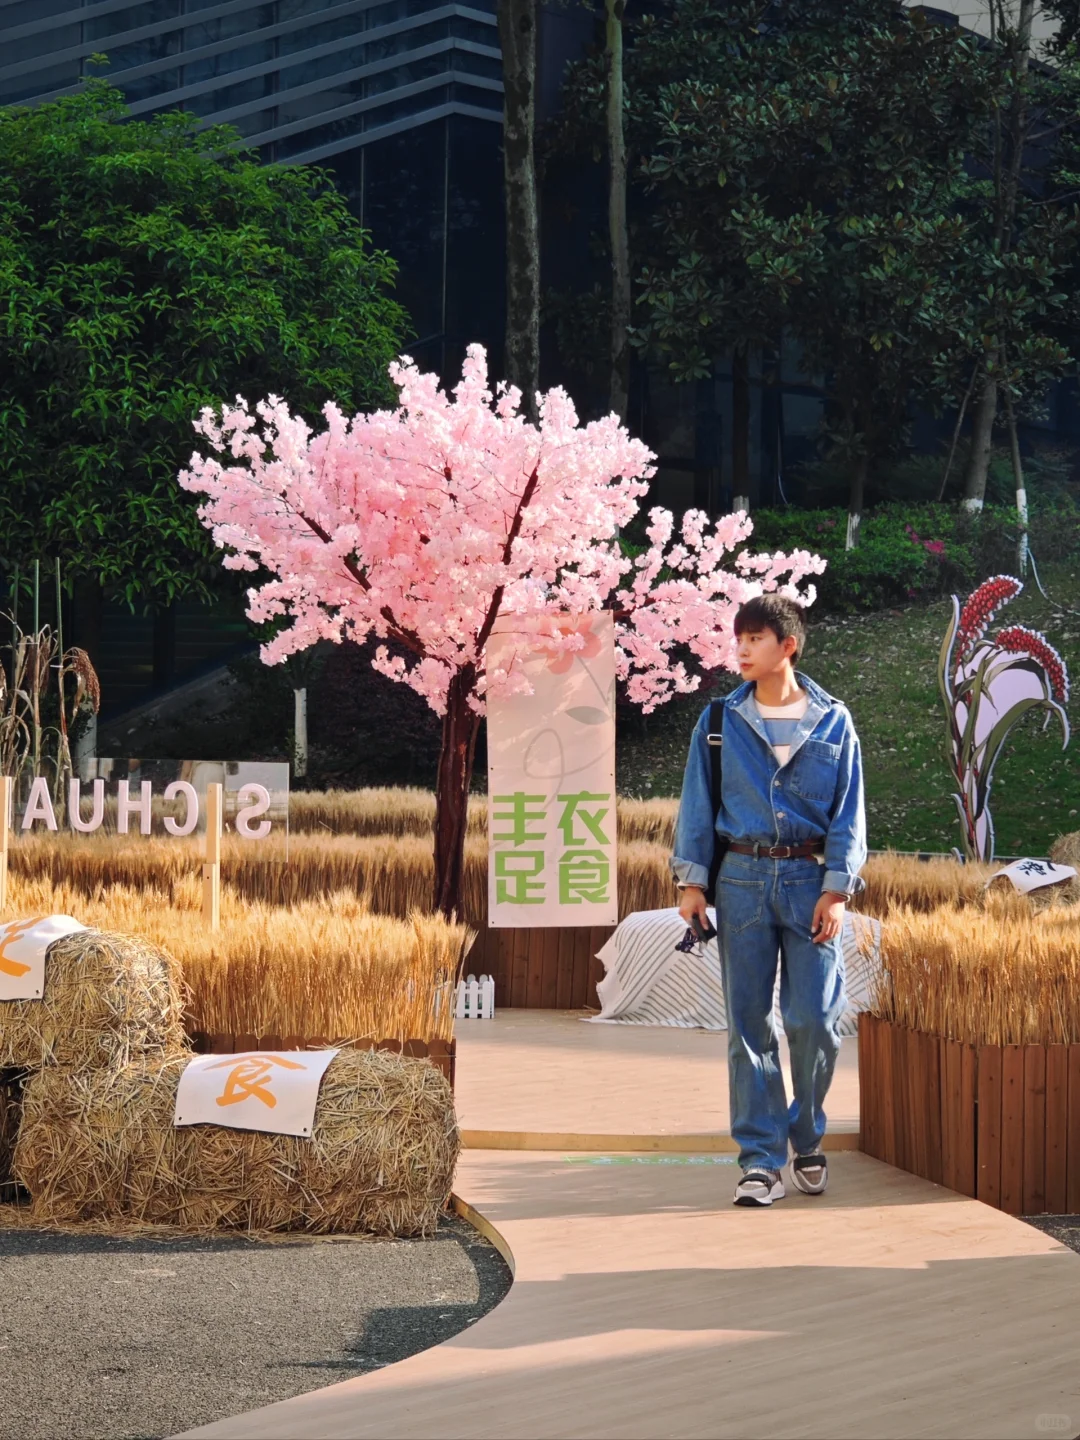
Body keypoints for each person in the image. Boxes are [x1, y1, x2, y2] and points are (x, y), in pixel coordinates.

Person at [671, 594, 866, 1207]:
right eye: (739, 640)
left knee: (814, 1023)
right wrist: (691, 882)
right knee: (748, 1028)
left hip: (811, 886)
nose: (743, 650)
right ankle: (759, 1160)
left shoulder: (835, 721)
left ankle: (805, 1136)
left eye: (755, 639)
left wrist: (837, 889)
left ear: (789, 645)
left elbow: (849, 813)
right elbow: (697, 805)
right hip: (743, 883)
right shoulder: (719, 721)